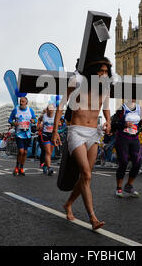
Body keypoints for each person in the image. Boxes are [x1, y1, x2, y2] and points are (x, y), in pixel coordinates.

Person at [52, 57, 112, 230]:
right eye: (101, 71)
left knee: (86, 176)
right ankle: (92, 218)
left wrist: (108, 121)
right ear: (93, 71)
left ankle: (68, 203)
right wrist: (55, 130)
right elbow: (62, 105)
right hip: (76, 131)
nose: (103, 74)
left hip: (94, 133)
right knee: (85, 173)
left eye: (106, 71)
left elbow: (106, 107)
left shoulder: (105, 88)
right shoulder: (76, 82)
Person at [111, 99, 142, 198]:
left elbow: (139, 123)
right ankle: (118, 188)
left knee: (138, 163)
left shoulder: (139, 109)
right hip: (123, 138)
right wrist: (124, 125)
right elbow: (113, 126)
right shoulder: (122, 109)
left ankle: (129, 185)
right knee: (124, 162)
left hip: (134, 138)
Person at [9, 96, 36, 176]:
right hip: (19, 134)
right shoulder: (15, 110)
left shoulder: (30, 110)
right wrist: (14, 123)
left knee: (25, 152)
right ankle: (17, 167)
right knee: (20, 151)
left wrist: (33, 120)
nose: (21, 103)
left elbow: (35, 119)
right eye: (20, 101)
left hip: (27, 134)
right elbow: (10, 120)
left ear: (26, 103)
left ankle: (21, 168)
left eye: (23, 101)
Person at [39, 104, 56, 176]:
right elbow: (40, 122)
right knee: (48, 152)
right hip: (45, 134)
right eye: (50, 109)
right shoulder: (44, 116)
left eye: (52, 109)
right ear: (48, 109)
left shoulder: (56, 116)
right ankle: (49, 168)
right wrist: (40, 124)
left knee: (50, 153)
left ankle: (45, 165)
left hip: (53, 135)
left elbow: (59, 123)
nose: (51, 110)